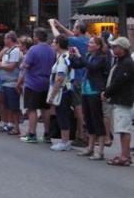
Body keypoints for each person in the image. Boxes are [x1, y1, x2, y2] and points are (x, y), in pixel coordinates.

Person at [50, 18, 89, 146]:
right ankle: (81, 133)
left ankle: (81, 134)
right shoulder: (87, 39)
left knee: (78, 108)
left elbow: (59, 38)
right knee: (80, 107)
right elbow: (70, 34)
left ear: (78, 29)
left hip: (75, 78)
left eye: (75, 27)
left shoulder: (73, 41)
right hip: (84, 76)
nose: (72, 30)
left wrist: (52, 25)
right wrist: (60, 25)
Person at [71, 36, 109, 160]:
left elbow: (91, 67)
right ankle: (90, 147)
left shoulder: (102, 58)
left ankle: (100, 150)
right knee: (88, 119)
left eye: (92, 42)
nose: (89, 44)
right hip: (85, 90)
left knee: (97, 119)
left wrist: (79, 55)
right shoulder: (88, 55)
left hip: (95, 90)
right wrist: (72, 56)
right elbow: (77, 65)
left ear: (98, 46)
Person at [20, 27, 55, 144]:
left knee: (32, 109)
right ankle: (47, 134)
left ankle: (32, 133)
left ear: (37, 37)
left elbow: (26, 65)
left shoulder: (33, 50)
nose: (33, 37)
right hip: (46, 82)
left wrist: (23, 63)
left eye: (34, 35)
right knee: (45, 109)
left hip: (33, 83)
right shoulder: (51, 50)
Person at [102, 37, 134, 166]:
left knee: (124, 129)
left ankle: (124, 156)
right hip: (121, 98)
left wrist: (107, 92)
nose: (113, 48)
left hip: (124, 99)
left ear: (122, 49)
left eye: (115, 46)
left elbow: (119, 81)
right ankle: (124, 154)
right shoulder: (121, 61)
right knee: (122, 128)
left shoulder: (126, 63)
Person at [47, 35, 74, 152]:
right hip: (66, 89)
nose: (52, 44)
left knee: (62, 114)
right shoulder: (65, 56)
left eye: (54, 42)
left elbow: (59, 78)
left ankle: (64, 141)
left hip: (62, 90)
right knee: (62, 114)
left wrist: (52, 95)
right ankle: (65, 140)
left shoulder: (63, 58)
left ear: (58, 44)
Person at [0, 31, 22, 135]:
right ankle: (10, 124)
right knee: (8, 105)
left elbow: (11, 66)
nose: (4, 40)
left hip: (12, 82)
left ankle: (16, 127)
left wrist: (0, 65)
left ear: (10, 39)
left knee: (14, 106)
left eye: (6, 38)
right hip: (6, 82)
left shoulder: (15, 51)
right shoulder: (8, 50)